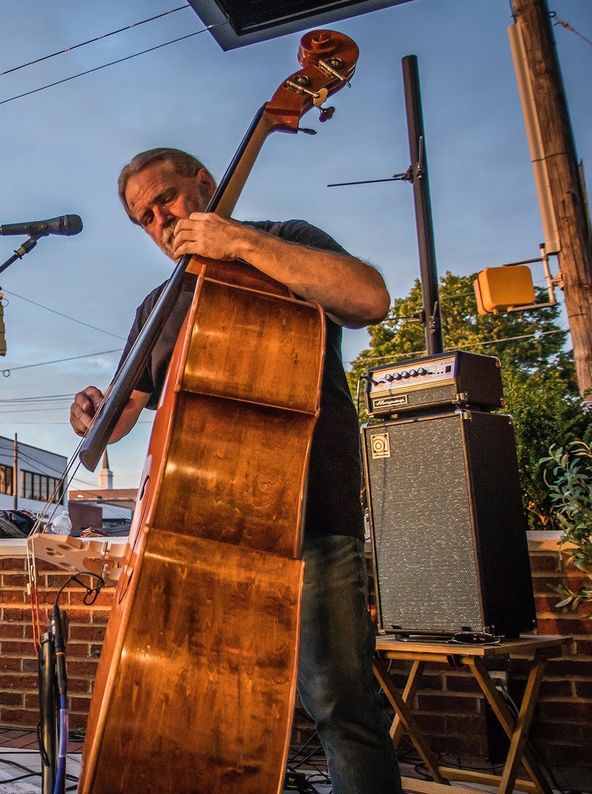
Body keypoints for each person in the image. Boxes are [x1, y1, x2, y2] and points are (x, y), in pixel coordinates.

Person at [69, 148, 402, 794]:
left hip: (311, 517)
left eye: (166, 200)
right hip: (194, 535)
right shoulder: (157, 306)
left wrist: (237, 242)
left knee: (339, 704)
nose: (160, 220)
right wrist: (90, 416)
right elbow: (121, 416)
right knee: (205, 715)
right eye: (143, 218)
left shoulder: (284, 243)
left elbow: (369, 298)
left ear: (205, 183)